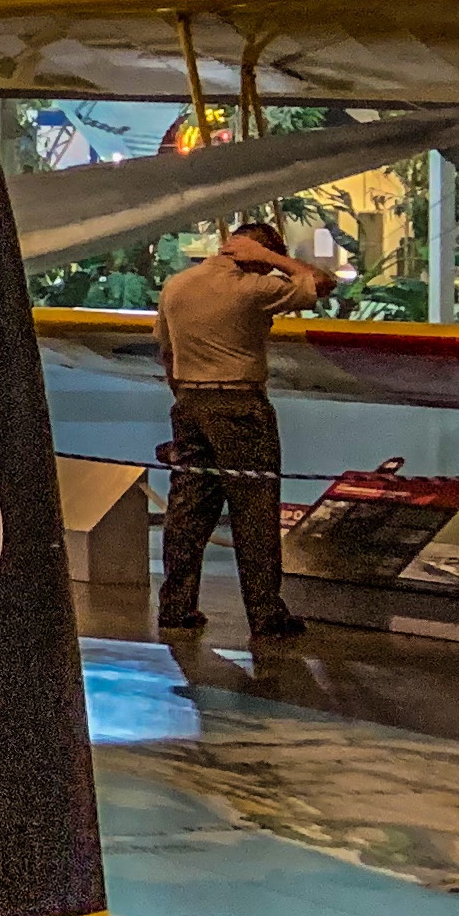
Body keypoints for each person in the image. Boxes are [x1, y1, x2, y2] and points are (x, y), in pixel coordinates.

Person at [153, 219, 335, 644]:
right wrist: (271, 258)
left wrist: (186, 396)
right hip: (240, 404)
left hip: (189, 402)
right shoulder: (252, 288)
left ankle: (176, 606)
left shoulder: (177, 286)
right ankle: (265, 614)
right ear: (255, 255)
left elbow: (166, 353)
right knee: (254, 510)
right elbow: (322, 283)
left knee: (187, 510)